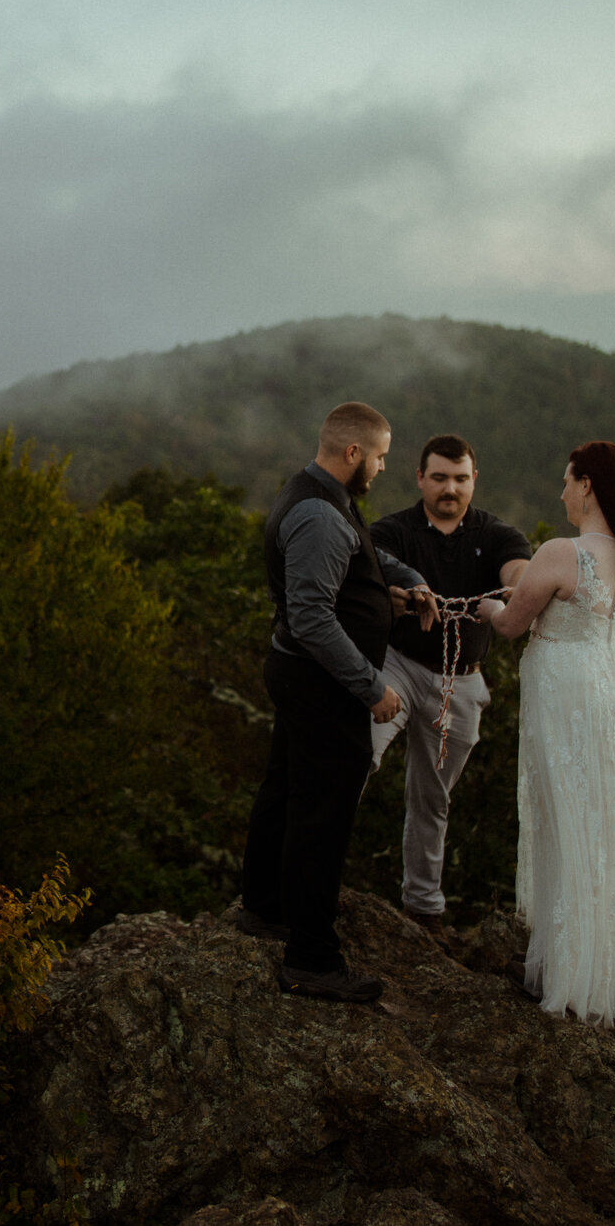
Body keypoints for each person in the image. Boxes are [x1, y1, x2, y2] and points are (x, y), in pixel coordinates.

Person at [239, 402, 436, 1004]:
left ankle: (265, 908)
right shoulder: (321, 516)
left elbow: (366, 557)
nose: (380, 468)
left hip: (302, 679)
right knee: (321, 818)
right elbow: (312, 618)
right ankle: (311, 959)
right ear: (352, 453)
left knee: (284, 790)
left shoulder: (322, 496)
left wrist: (408, 587)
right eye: (378, 457)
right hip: (321, 684)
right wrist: (372, 688)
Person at [479, 441, 615, 1026]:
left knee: (567, 815)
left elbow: (509, 626)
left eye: (566, 481)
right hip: (612, 689)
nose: (560, 492)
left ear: (587, 485)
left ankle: (567, 974)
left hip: (567, 695)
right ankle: (597, 972)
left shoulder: (562, 552)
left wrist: (484, 605)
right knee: (604, 822)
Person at [368, 435, 532, 939]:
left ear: (473, 480)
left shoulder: (497, 534)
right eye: (439, 478)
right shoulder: (392, 530)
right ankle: (309, 882)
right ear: (420, 478)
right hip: (397, 664)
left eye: (460, 479)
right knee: (355, 755)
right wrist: (391, 593)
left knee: (432, 797)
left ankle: (424, 908)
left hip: (461, 681)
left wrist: (518, 589)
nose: (449, 489)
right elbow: (367, 568)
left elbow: (518, 570)